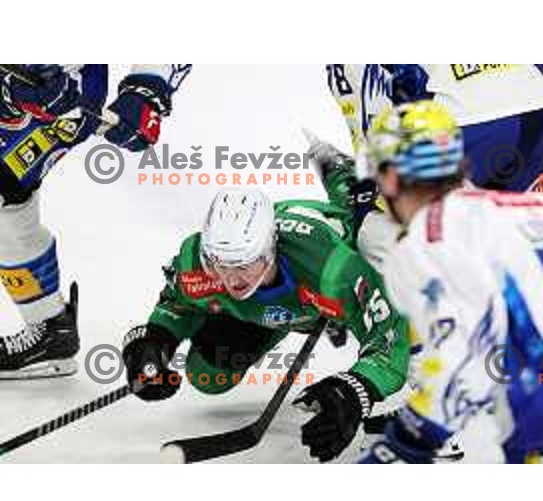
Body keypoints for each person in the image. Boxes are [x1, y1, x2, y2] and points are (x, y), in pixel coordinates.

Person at [357, 101, 543, 464]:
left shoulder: (429, 238)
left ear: (391, 178)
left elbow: (463, 351)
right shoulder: (535, 206)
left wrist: (409, 438)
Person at [122, 188, 411, 462]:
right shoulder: (197, 263)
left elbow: (389, 337)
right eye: (220, 264)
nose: (232, 279)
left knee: (417, 330)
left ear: (270, 249)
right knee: (207, 376)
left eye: (245, 263)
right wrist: (155, 342)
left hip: (325, 291)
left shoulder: (333, 272)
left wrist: (356, 390)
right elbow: (176, 304)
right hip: (288, 304)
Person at [0, 64, 191, 378]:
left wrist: (146, 92)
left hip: (58, 94)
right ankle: (49, 325)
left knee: (7, 193)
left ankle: (50, 330)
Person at [327, 64, 543, 193]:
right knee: (530, 235)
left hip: (463, 119)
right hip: (537, 97)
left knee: (411, 237)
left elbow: (373, 132)